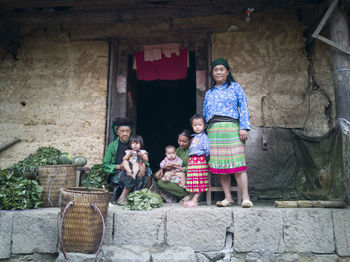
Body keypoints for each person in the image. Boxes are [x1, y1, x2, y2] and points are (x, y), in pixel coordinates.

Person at [203, 58, 253, 208]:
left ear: (227, 72)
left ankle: (245, 197)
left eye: (221, 69)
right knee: (220, 166)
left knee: (238, 164)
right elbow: (205, 114)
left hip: (232, 128)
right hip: (214, 130)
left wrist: (243, 127)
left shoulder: (235, 88)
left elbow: (243, 107)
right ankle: (228, 197)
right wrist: (205, 133)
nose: (218, 72)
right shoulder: (209, 93)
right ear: (212, 73)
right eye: (215, 70)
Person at [102, 117, 152, 205]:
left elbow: (144, 158)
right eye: (122, 131)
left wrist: (143, 166)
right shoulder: (112, 146)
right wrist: (118, 166)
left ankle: (145, 195)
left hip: (136, 167)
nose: (125, 133)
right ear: (117, 132)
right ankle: (122, 197)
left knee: (149, 172)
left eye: (127, 131)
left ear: (130, 132)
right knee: (130, 173)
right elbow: (105, 165)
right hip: (119, 171)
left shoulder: (134, 143)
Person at [154, 129, 191, 202]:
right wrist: (162, 169)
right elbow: (168, 161)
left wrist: (176, 166)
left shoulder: (192, 151)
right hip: (173, 172)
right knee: (156, 175)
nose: (181, 143)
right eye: (180, 141)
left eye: (184, 141)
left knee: (161, 182)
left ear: (190, 141)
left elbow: (190, 170)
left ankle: (187, 194)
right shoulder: (177, 150)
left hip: (185, 175)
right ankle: (177, 195)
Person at [182, 114, 210, 207]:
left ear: (204, 126)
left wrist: (203, 160)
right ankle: (192, 196)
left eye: (200, 125)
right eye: (195, 125)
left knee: (199, 181)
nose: (197, 127)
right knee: (193, 180)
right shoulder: (193, 137)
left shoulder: (204, 137)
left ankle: (195, 200)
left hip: (199, 161)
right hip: (193, 162)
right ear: (192, 126)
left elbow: (207, 150)